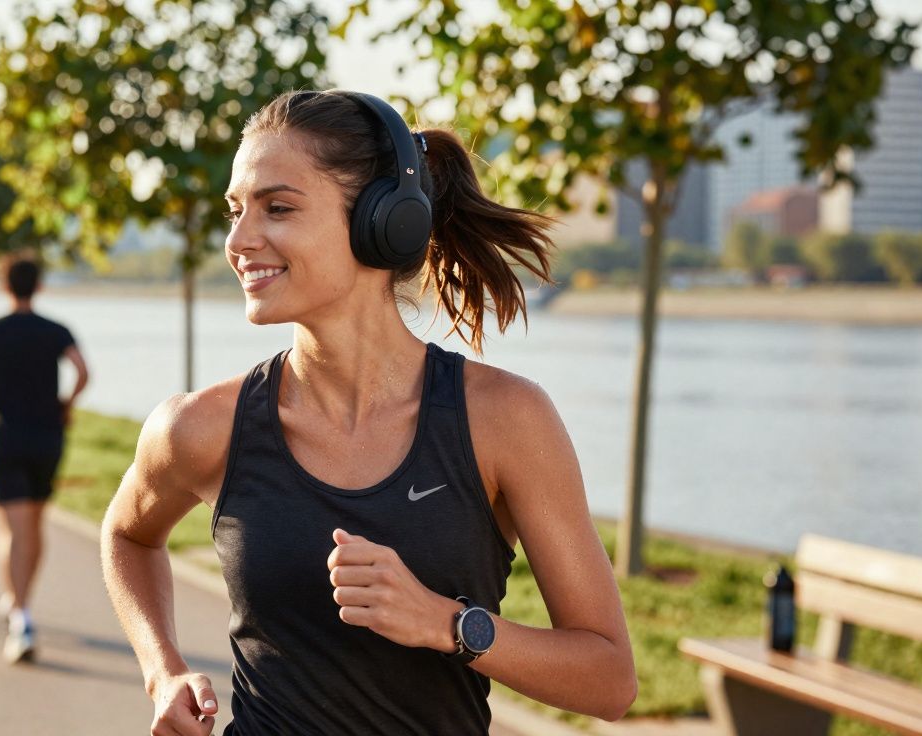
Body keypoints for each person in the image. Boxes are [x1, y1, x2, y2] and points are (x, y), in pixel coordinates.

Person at [101, 90, 637, 735]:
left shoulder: (504, 419)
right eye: (235, 211)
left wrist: (447, 624)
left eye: (277, 208)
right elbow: (128, 535)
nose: (238, 241)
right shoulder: (199, 426)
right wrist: (162, 671)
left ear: (383, 222)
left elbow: (609, 681)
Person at [0, 255, 89, 664]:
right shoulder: (56, 330)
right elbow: (83, 372)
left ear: (4, 286)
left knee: (12, 530)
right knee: (33, 523)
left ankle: (21, 617)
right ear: (38, 286)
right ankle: (19, 599)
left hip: (7, 440)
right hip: (48, 439)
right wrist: (65, 403)